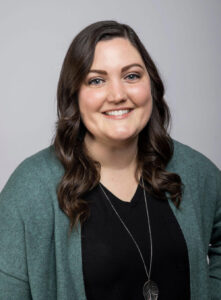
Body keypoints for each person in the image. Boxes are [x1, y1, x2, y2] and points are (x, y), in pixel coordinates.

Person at [0, 20, 220, 300]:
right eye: (96, 80)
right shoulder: (29, 189)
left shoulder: (194, 170)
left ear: (150, 84)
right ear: (75, 95)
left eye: (131, 76)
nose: (118, 95)